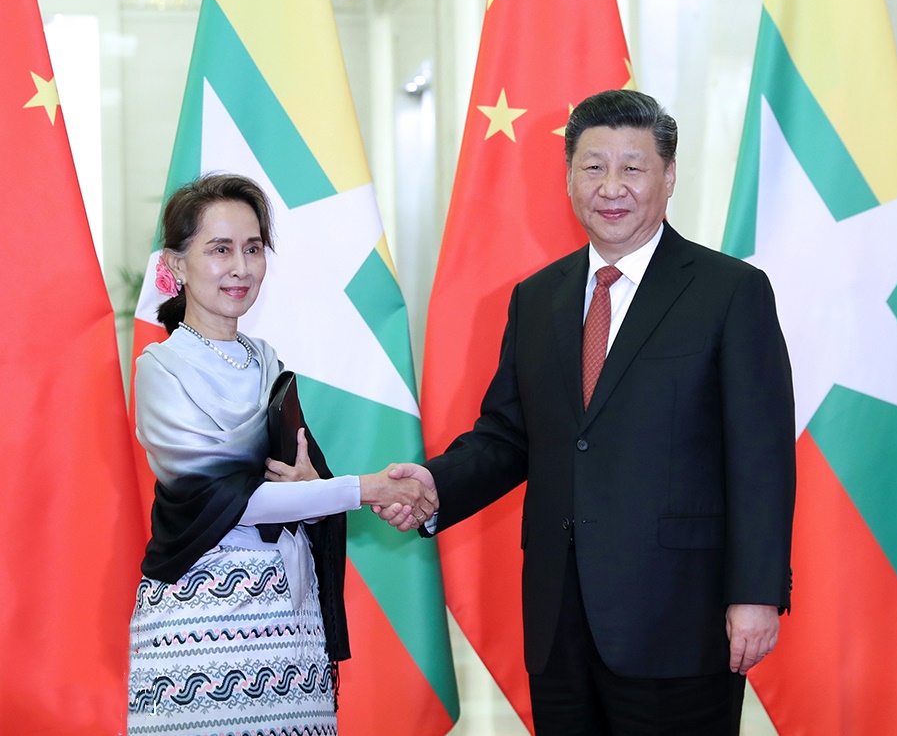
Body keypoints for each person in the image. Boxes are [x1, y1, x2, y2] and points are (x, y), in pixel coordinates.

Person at [382, 90, 795, 734]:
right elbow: (510, 435)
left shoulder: (730, 292)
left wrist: (756, 593)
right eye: (593, 167)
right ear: (569, 176)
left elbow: (761, 457)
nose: (611, 187)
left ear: (669, 176)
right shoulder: (536, 297)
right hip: (559, 620)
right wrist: (437, 484)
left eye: (633, 167)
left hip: (680, 618)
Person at [127, 173, 435, 735]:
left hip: (291, 620)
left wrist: (314, 491)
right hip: (201, 629)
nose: (241, 267)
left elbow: (300, 488)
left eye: (253, 248)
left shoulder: (266, 359)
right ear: (175, 264)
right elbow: (225, 500)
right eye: (220, 249)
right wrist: (364, 489)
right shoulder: (161, 370)